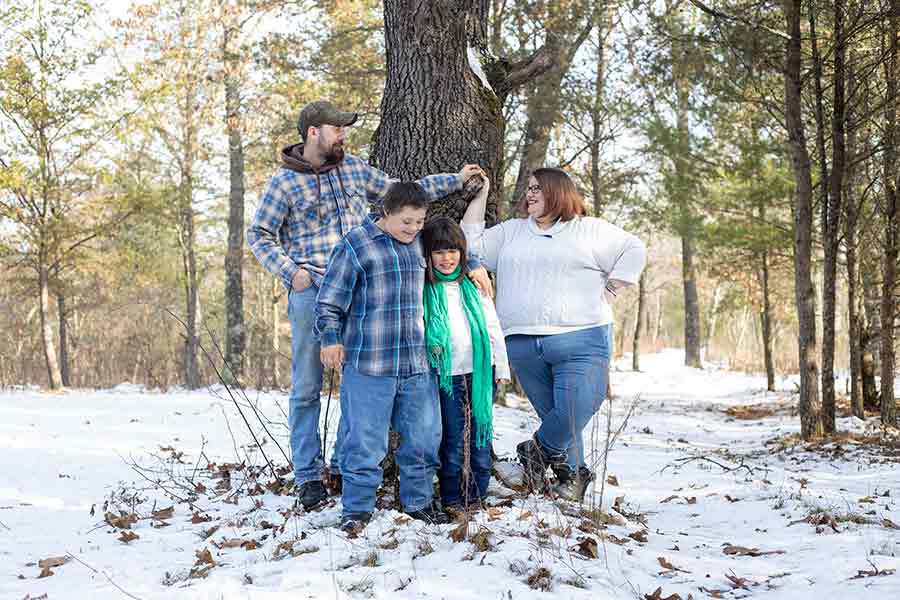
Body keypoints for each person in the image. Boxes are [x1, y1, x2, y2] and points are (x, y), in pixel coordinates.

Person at [247, 99, 488, 511]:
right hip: (315, 289)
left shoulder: (354, 169)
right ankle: (308, 475)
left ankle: (344, 465)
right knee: (308, 387)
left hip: (368, 289)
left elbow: (404, 193)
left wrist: (455, 179)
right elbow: (260, 235)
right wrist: (293, 273)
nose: (343, 135)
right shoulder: (283, 184)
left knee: (360, 386)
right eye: (336, 129)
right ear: (313, 132)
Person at [462, 167, 646, 501]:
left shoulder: (589, 230)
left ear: (559, 193)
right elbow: (469, 245)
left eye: (538, 189)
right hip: (521, 342)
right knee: (557, 418)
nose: (530, 194)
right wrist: (480, 195)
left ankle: (534, 453)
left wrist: (614, 286)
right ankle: (572, 479)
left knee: (574, 410)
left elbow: (633, 249)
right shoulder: (512, 232)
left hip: (582, 338)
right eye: (529, 188)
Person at [316, 181, 490, 532]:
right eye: (407, 221)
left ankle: (419, 503)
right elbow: (329, 302)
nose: (413, 229)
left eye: (419, 221)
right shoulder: (355, 246)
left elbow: (450, 249)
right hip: (370, 364)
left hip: (417, 364)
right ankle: (357, 509)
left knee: (425, 440)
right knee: (365, 442)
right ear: (386, 212)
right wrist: (330, 340)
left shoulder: (419, 243)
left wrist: (474, 264)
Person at [421, 203, 510, 513]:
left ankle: (476, 497)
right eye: (439, 252)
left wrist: (503, 367)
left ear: (462, 252)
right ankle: (452, 498)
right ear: (428, 256)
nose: (447, 258)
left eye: (453, 251)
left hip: (481, 371)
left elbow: (493, 327)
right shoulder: (424, 291)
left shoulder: (473, 286)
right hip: (446, 376)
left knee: (481, 438)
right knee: (454, 440)